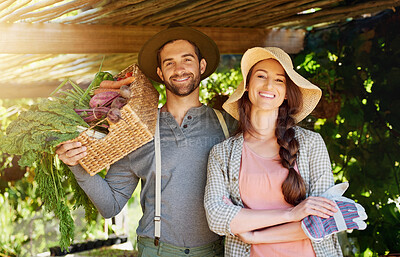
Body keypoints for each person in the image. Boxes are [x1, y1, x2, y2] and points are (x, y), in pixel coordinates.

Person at [56, 24, 236, 256]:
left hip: (217, 251)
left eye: (187, 60)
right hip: (158, 250)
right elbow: (110, 205)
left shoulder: (228, 125)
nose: (179, 69)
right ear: (160, 73)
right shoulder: (135, 131)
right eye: (169, 63)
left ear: (201, 66)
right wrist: (76, 166)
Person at [204, 47, 344, 257]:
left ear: (287, 92)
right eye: (261, 76)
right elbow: (216, 217)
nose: (269, 84)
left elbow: (324, 220)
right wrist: (292, 214)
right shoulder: (222, 154)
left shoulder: (311, 144)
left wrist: (255, 235)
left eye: (279, 80)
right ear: (247, 85)